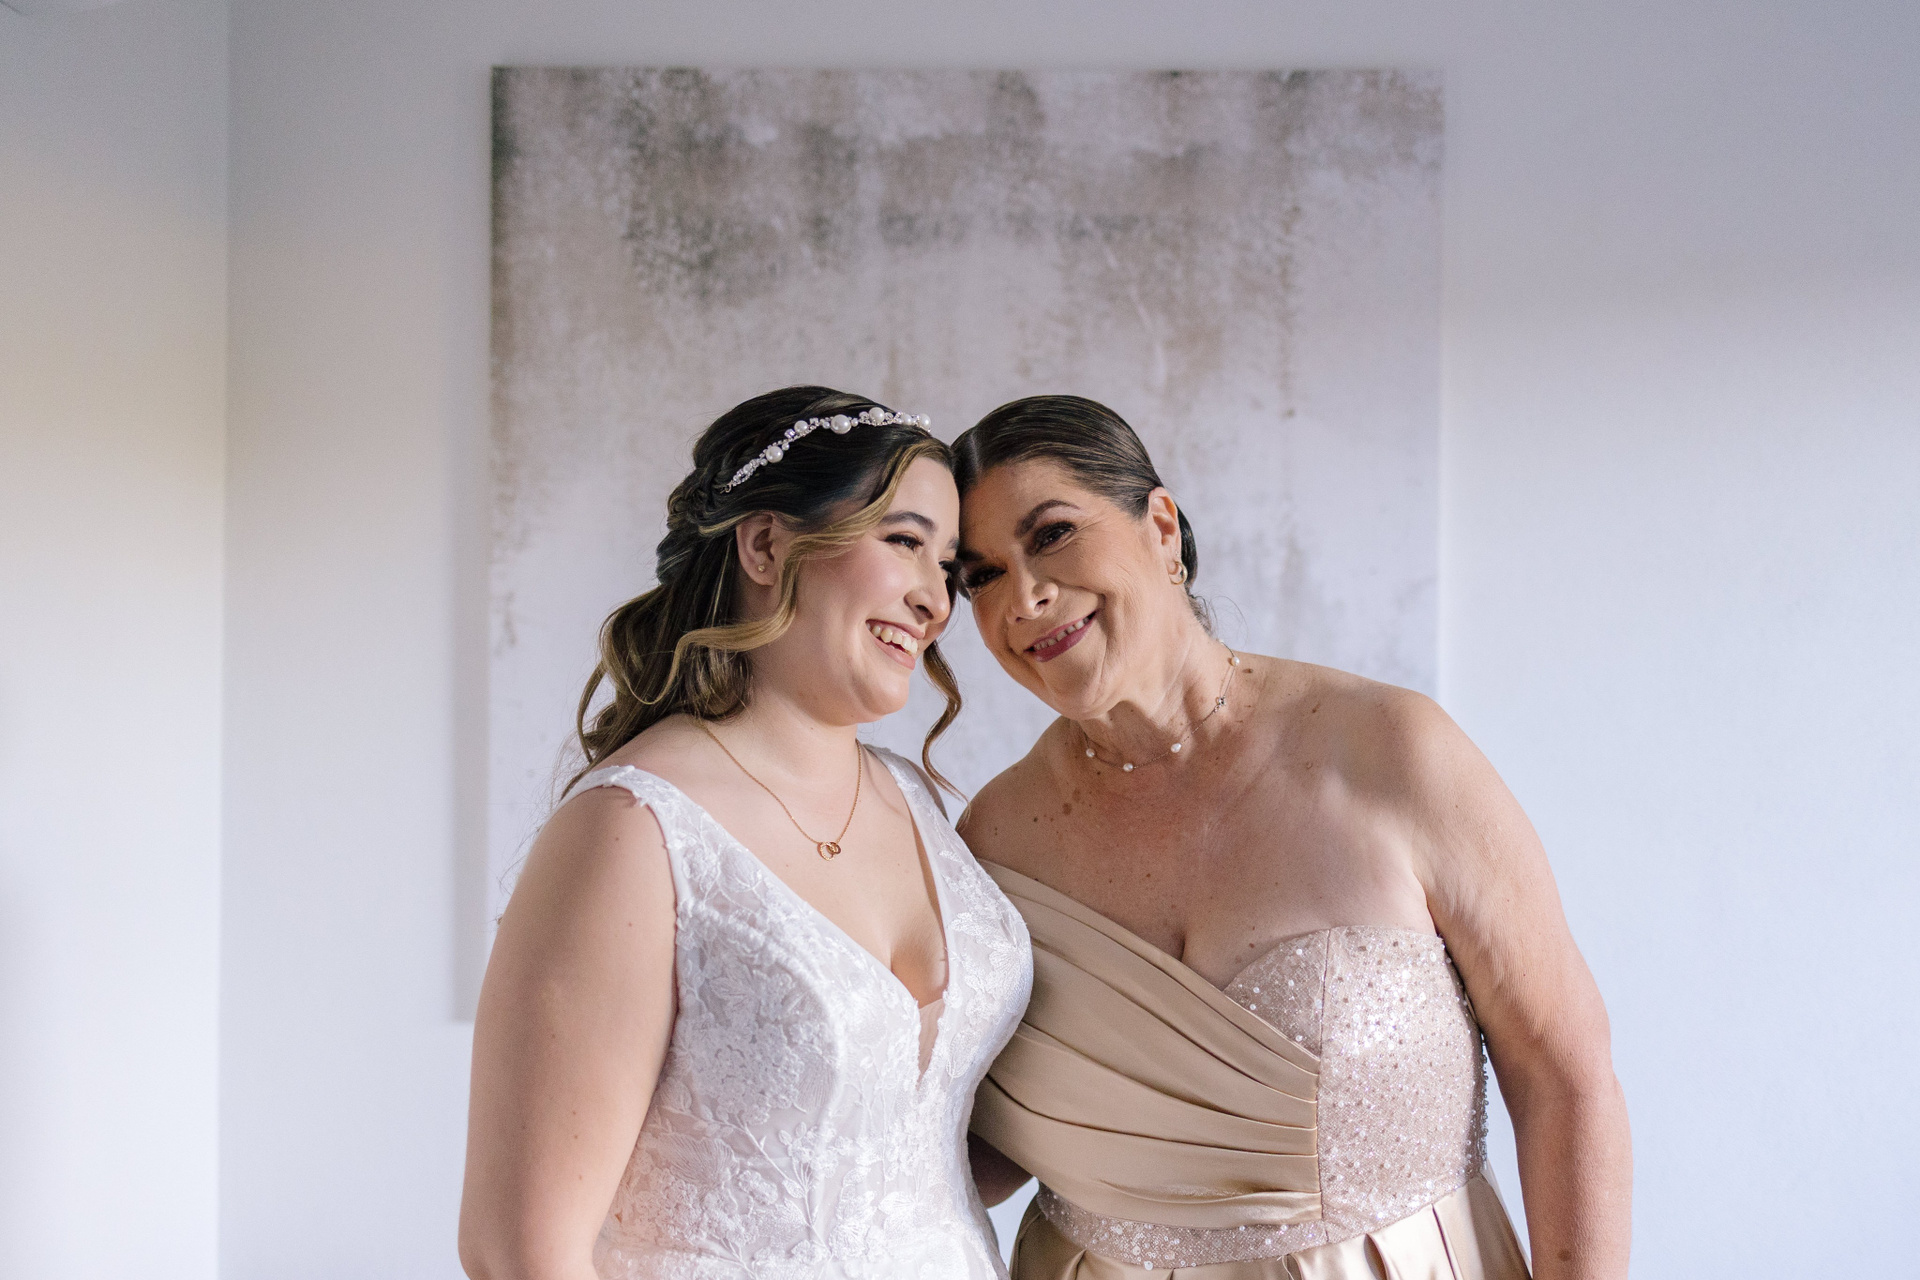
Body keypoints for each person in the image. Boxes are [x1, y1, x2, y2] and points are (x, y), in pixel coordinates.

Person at [953, 396, 1631, 1280]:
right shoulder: (992, 843)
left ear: (1162, 527)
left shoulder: (1393, 752)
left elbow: (1562, 1076)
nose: (1024, 597)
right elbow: (979, 1149)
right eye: (980, 576)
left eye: (1051, 535)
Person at [458, 387, 1033, 1280]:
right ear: (765, 545)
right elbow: (520, 1252)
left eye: (949, 566)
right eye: (903, 541)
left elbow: (909, 1155)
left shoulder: (917, 801)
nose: (934, 600)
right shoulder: (636, 830)